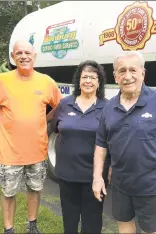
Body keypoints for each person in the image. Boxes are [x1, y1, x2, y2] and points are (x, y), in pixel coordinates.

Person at [92, 51, 156, 234]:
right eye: (122, 71)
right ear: (115, 76)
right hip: (121, 184)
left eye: (133, 70)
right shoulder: (109, 107)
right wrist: (97, 177)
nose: (128, 76)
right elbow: (101, 145)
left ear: (143, 74)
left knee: (151, 230)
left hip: (153, 186)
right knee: (124, 224)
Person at [0, 40, 63, 234]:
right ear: (13, 57)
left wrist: (44, 120)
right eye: (19, 53)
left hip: (37, 150)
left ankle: (32, 225)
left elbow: (60, 106)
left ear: (34, 56)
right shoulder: (1, 81)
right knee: (8, 192)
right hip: (9, 152)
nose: (24, 56)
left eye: (28, 53)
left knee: (35, 188)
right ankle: (9, 229)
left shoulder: (46, 81)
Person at [50, 60, 111, 234]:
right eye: (84, 77)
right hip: (67, 173)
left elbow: (112, 140)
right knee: (69, 219)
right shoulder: (65, 104)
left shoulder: (107, 107)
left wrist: (111, 167)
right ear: (78, 80)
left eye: (93, 77)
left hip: (94, 176)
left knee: (92, 221)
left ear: (99, 82)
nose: (88, 81)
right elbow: (55, 127)